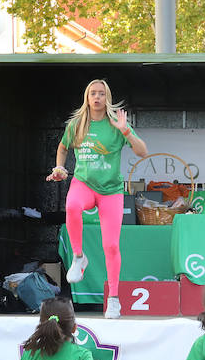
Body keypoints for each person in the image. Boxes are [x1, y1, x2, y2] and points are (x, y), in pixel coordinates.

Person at [48, 79, 148, 319]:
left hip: (111, 190)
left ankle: (113, 298)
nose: (97, 97)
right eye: (93, 93)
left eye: (101, 94)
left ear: (107, 97)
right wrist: (59, 168)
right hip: (83, 183)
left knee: (111, 245)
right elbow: (62, 148)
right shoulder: (76, 124)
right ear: (87, 97)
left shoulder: (117, 124)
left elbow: (142, 151)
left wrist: (126, 131)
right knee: (71, 205)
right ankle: (79, 258)